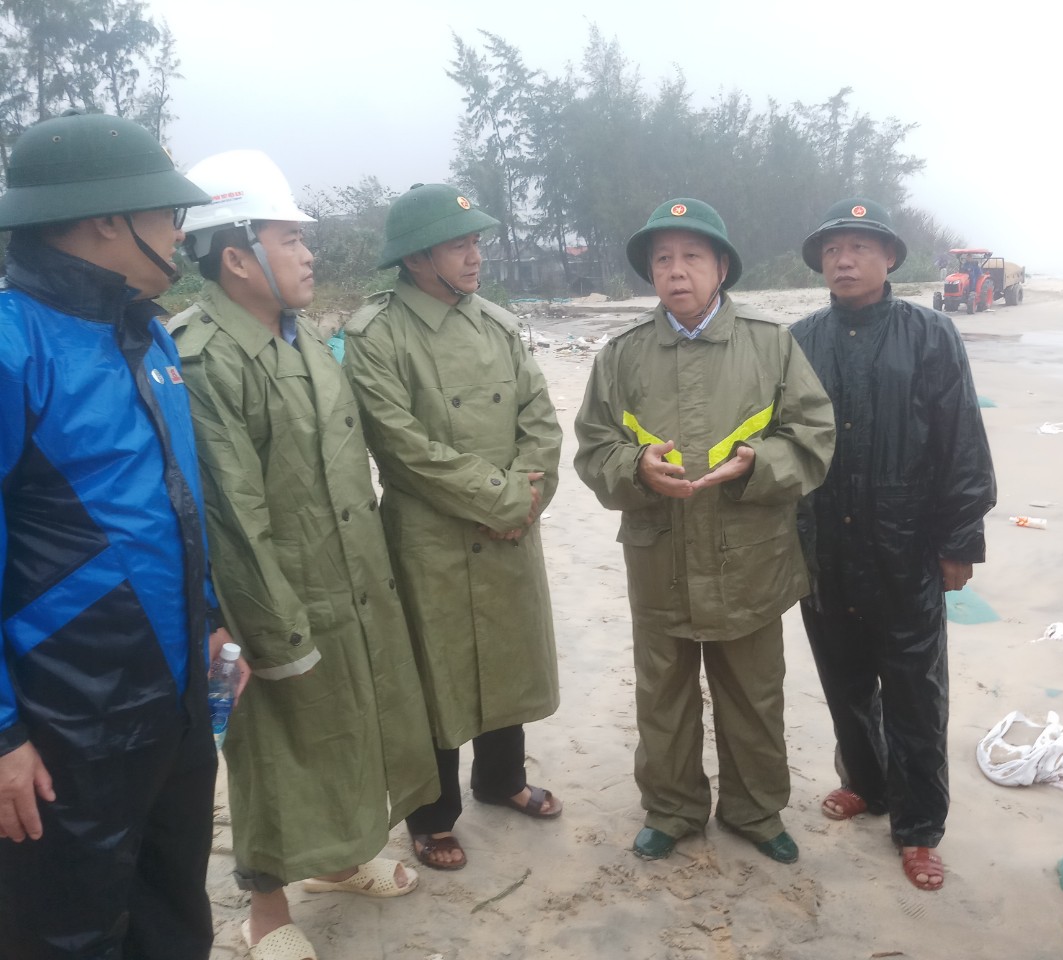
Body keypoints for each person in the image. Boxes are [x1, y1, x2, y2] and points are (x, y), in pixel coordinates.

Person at [170, 150, 440, 958]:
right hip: (272, 601)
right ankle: (265, 914)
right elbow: (235, 517)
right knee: (273, 752)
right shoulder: (206, 356)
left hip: (348, 581)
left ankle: (343, 860)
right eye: (290, 239)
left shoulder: (305, 336)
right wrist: (276, 635)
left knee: (351, 728)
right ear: (237, 257)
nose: (309, 254)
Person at [0, 112, 241, 959]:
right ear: (107, 218)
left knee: (174, 908)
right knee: (69, 933)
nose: (178, 232)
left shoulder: (148, 332)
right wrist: (3, 735)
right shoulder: (14, 344)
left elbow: (175, 503)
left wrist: (210, 619)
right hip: (62, 724)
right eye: (167, 213)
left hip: (172, 705)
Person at [575, 198, 834, 864]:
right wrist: (635, 468)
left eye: (692, 256)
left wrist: (758, 464)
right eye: (662, 258)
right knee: (662, 696)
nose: (676, 270)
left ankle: (756, 810)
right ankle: (672, 808)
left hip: (749, 559)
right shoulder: (622, 355)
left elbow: (813, 436)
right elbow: (594, 447)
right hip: (658, 558)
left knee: (753, 694)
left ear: (722, 267)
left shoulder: (771, 345)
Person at [344, 184, 563, 872]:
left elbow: (540, 419)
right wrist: (501, 501)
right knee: (434, 674)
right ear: (416, 258)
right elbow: (401, 448)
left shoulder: (497, 324)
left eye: (476, 243)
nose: (475, 257)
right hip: (429, 538)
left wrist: (526, 498)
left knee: (505, 655)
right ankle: (432, 815)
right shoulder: (376, 336)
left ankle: (502, 779)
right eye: (458, 245)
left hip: (510, 526)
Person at [790, 198, 996, 891]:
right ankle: (867, 784)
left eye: (859, 247)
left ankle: (918, 826)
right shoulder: (798, 341)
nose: (843, 261)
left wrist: (959, 540)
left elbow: (961, 441)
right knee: (844, 683)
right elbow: (781, 442)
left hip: (905, 550)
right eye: (832, 250)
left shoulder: (931, 335)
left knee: (914, 693)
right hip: (824, 549)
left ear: (889, 258)